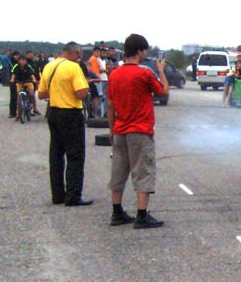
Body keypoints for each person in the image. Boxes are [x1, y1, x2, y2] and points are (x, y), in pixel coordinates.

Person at [106, 34, 168, 229]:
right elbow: (164, 91)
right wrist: (161, 71)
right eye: (144, 51)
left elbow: (110, 104)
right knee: (143, 171)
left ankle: (117, 212)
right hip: (140, 130)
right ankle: (142, 214)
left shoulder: (114, 74)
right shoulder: (145, 73)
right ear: (140, 51)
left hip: (120, 129)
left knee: (119, 171)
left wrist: (111, 128)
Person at [37, 41, 91, 205]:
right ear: (73, 53)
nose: (80, 58)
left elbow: (41, 94)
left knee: (56, 154)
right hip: (70, 113)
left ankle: (58, 195)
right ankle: (73, 195)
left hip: (53, 111)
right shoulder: (73, 67)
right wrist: (86, 87)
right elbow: (81, 93)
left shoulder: (49, 66)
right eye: (79, 55)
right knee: (75, 155)